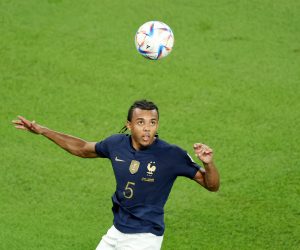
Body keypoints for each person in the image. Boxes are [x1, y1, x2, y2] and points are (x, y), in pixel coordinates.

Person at [12, 99, 220, 250]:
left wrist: (208, 164)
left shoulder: (172, 155)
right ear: (129, 125)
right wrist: (44, 131)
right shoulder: (116, 144)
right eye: (140, 122)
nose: (147, 128)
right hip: (117, 231)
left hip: (144, 238)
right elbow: (82, 148)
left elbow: (212, 185)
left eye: (152, 122)